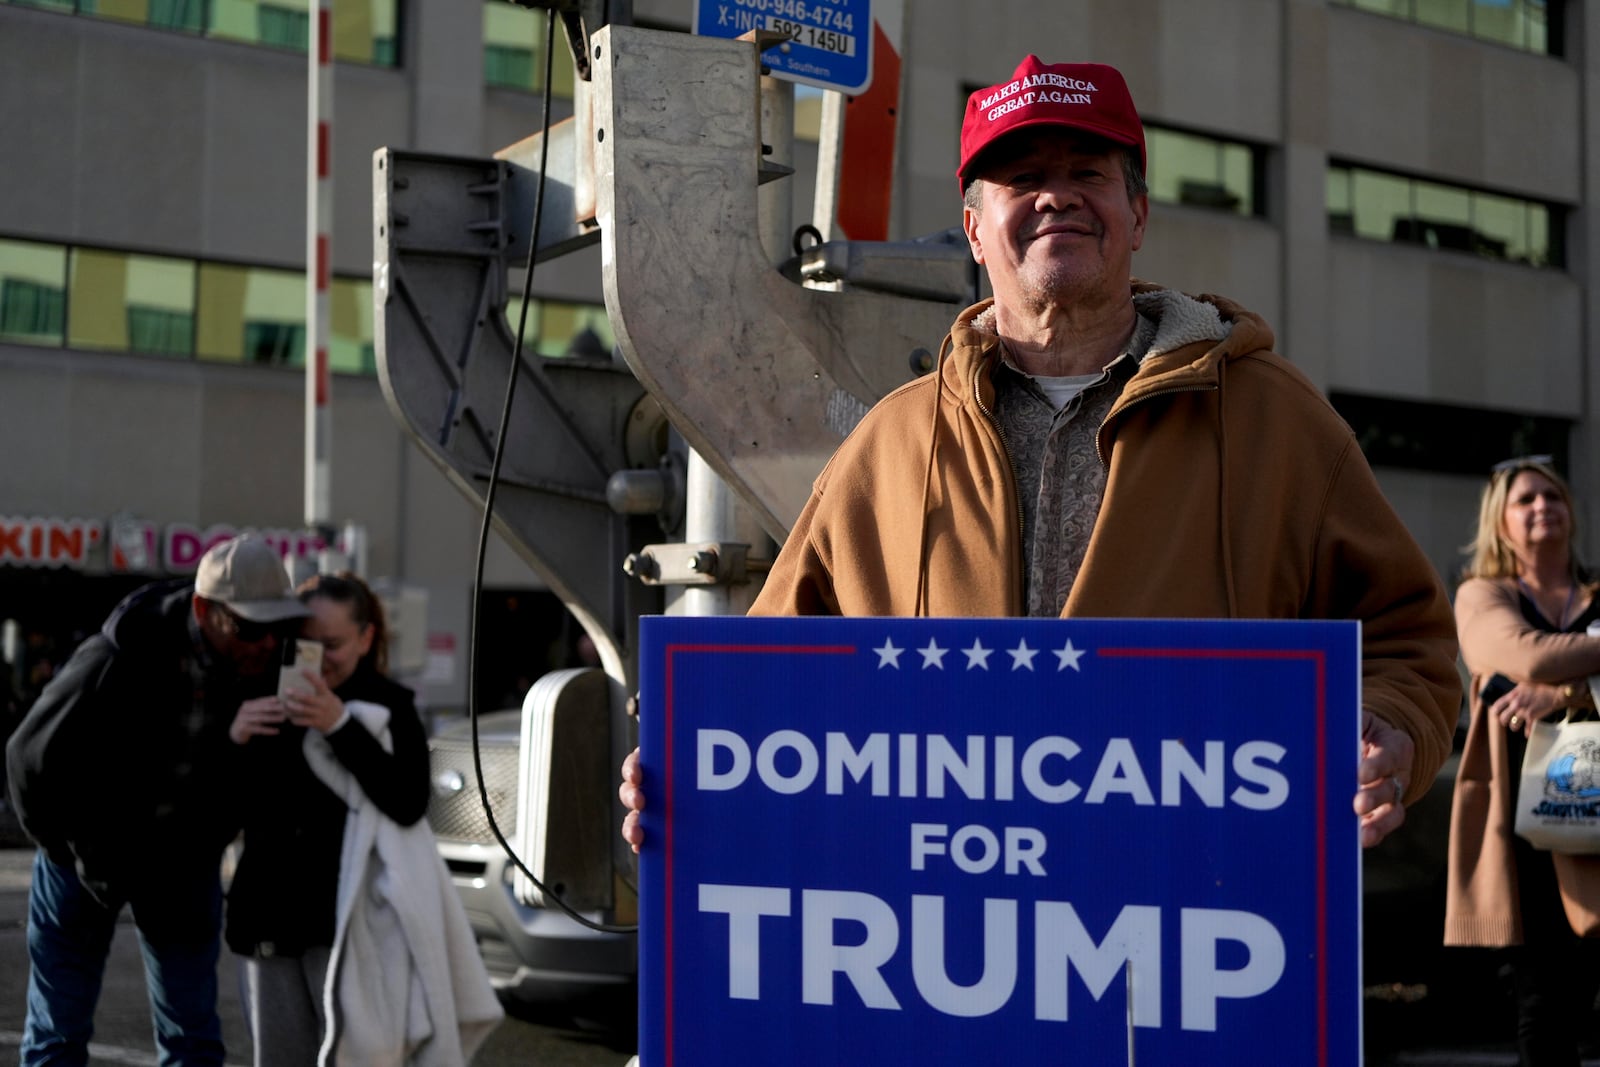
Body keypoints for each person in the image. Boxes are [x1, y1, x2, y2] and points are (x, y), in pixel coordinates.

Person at [620, 55, 1461, 852]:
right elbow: (768, 675)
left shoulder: (1283, 423)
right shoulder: (889, 443)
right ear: (975, 233)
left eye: (1086, 173)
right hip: (941, 923)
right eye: (1023, 180)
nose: (1056, 197)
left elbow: (1406, 644)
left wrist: (1390, 726)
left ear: (1137, 213)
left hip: (1189, 915)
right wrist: (693, 763)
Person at [5, 533, 310, 1066]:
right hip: (86, 861)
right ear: (204, 610)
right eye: (249, 626)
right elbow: (27, 758)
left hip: (183, 866)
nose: (265, 642)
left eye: (277, 625)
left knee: (191, 1033)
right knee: (58, 1026)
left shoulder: (276, 668)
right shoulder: (121, 653)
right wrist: (71, 850)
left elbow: (271, 775)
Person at [226, 571, 500, 1066]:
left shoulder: (390, 705)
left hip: (350, 925)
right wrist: (235, 742)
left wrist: (340, 726)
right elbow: (230, 811)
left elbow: (408, 803)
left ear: (366, 637)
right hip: (268, 914)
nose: (318, 658)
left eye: (331, 644)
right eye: (305, 642)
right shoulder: (263, 695)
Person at [1446, 457, 1600, 1065]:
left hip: (1599, 817)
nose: (1543, 507)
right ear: (1501, 522)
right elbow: (1519, 654)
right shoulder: (1481, 594)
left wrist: (1563, 693)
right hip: (1523, 824)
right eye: (1527, 500)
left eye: (1553, 497)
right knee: (1542, 1002)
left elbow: (1541, 674)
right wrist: (1587, 661)